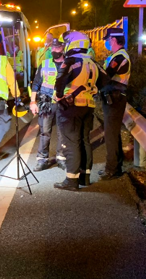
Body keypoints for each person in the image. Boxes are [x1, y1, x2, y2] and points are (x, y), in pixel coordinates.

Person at [53, 31, 98, 191]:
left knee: (71, 143)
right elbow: (105, 80)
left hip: (71, 107)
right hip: (88, 106)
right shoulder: (92, 62)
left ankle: (71, 180)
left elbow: (60, 81)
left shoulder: (71, 60)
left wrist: (59, 96)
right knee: (85, 141)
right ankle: (85, 177)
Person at [99, 28, 131, 181]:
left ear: (114, 39)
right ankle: (115, 167)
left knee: (111, 135)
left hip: (115, 99)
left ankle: (111, 170)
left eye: (108, 39)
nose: (107, 42)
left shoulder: (119, 57)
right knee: (113, 134)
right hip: (113, 98)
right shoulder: (116, 56)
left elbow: (107, 76)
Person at [29, 38, 65, 171]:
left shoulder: (68, 64)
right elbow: (36, 84)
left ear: (63, 48)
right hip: (46, 103)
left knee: (62, 132)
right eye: (53, 48)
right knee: (45, 132)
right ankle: (42, 159)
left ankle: (61, 158)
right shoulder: (44, 64)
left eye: (58, 47)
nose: (55, 50)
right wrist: (33, 102)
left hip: (63, 104)